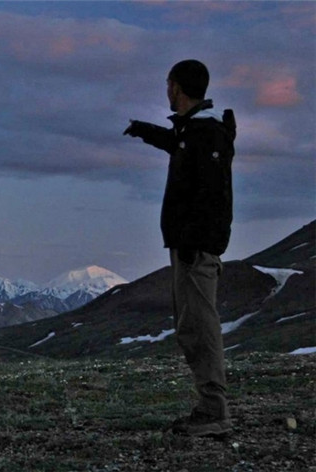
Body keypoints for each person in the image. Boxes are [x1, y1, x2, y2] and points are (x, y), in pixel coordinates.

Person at [124, 59, 236, 437]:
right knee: (191, 326)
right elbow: (179, 145)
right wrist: (145, 131)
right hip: (192, 244)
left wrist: (193, 239)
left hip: (196, 247)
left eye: (168, 83)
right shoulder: (196, 131)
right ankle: (210, 408)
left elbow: (210, 193)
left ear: (177, 88)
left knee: (199, 326)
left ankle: (214, 412)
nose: (166, 90)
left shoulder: (206, 134)